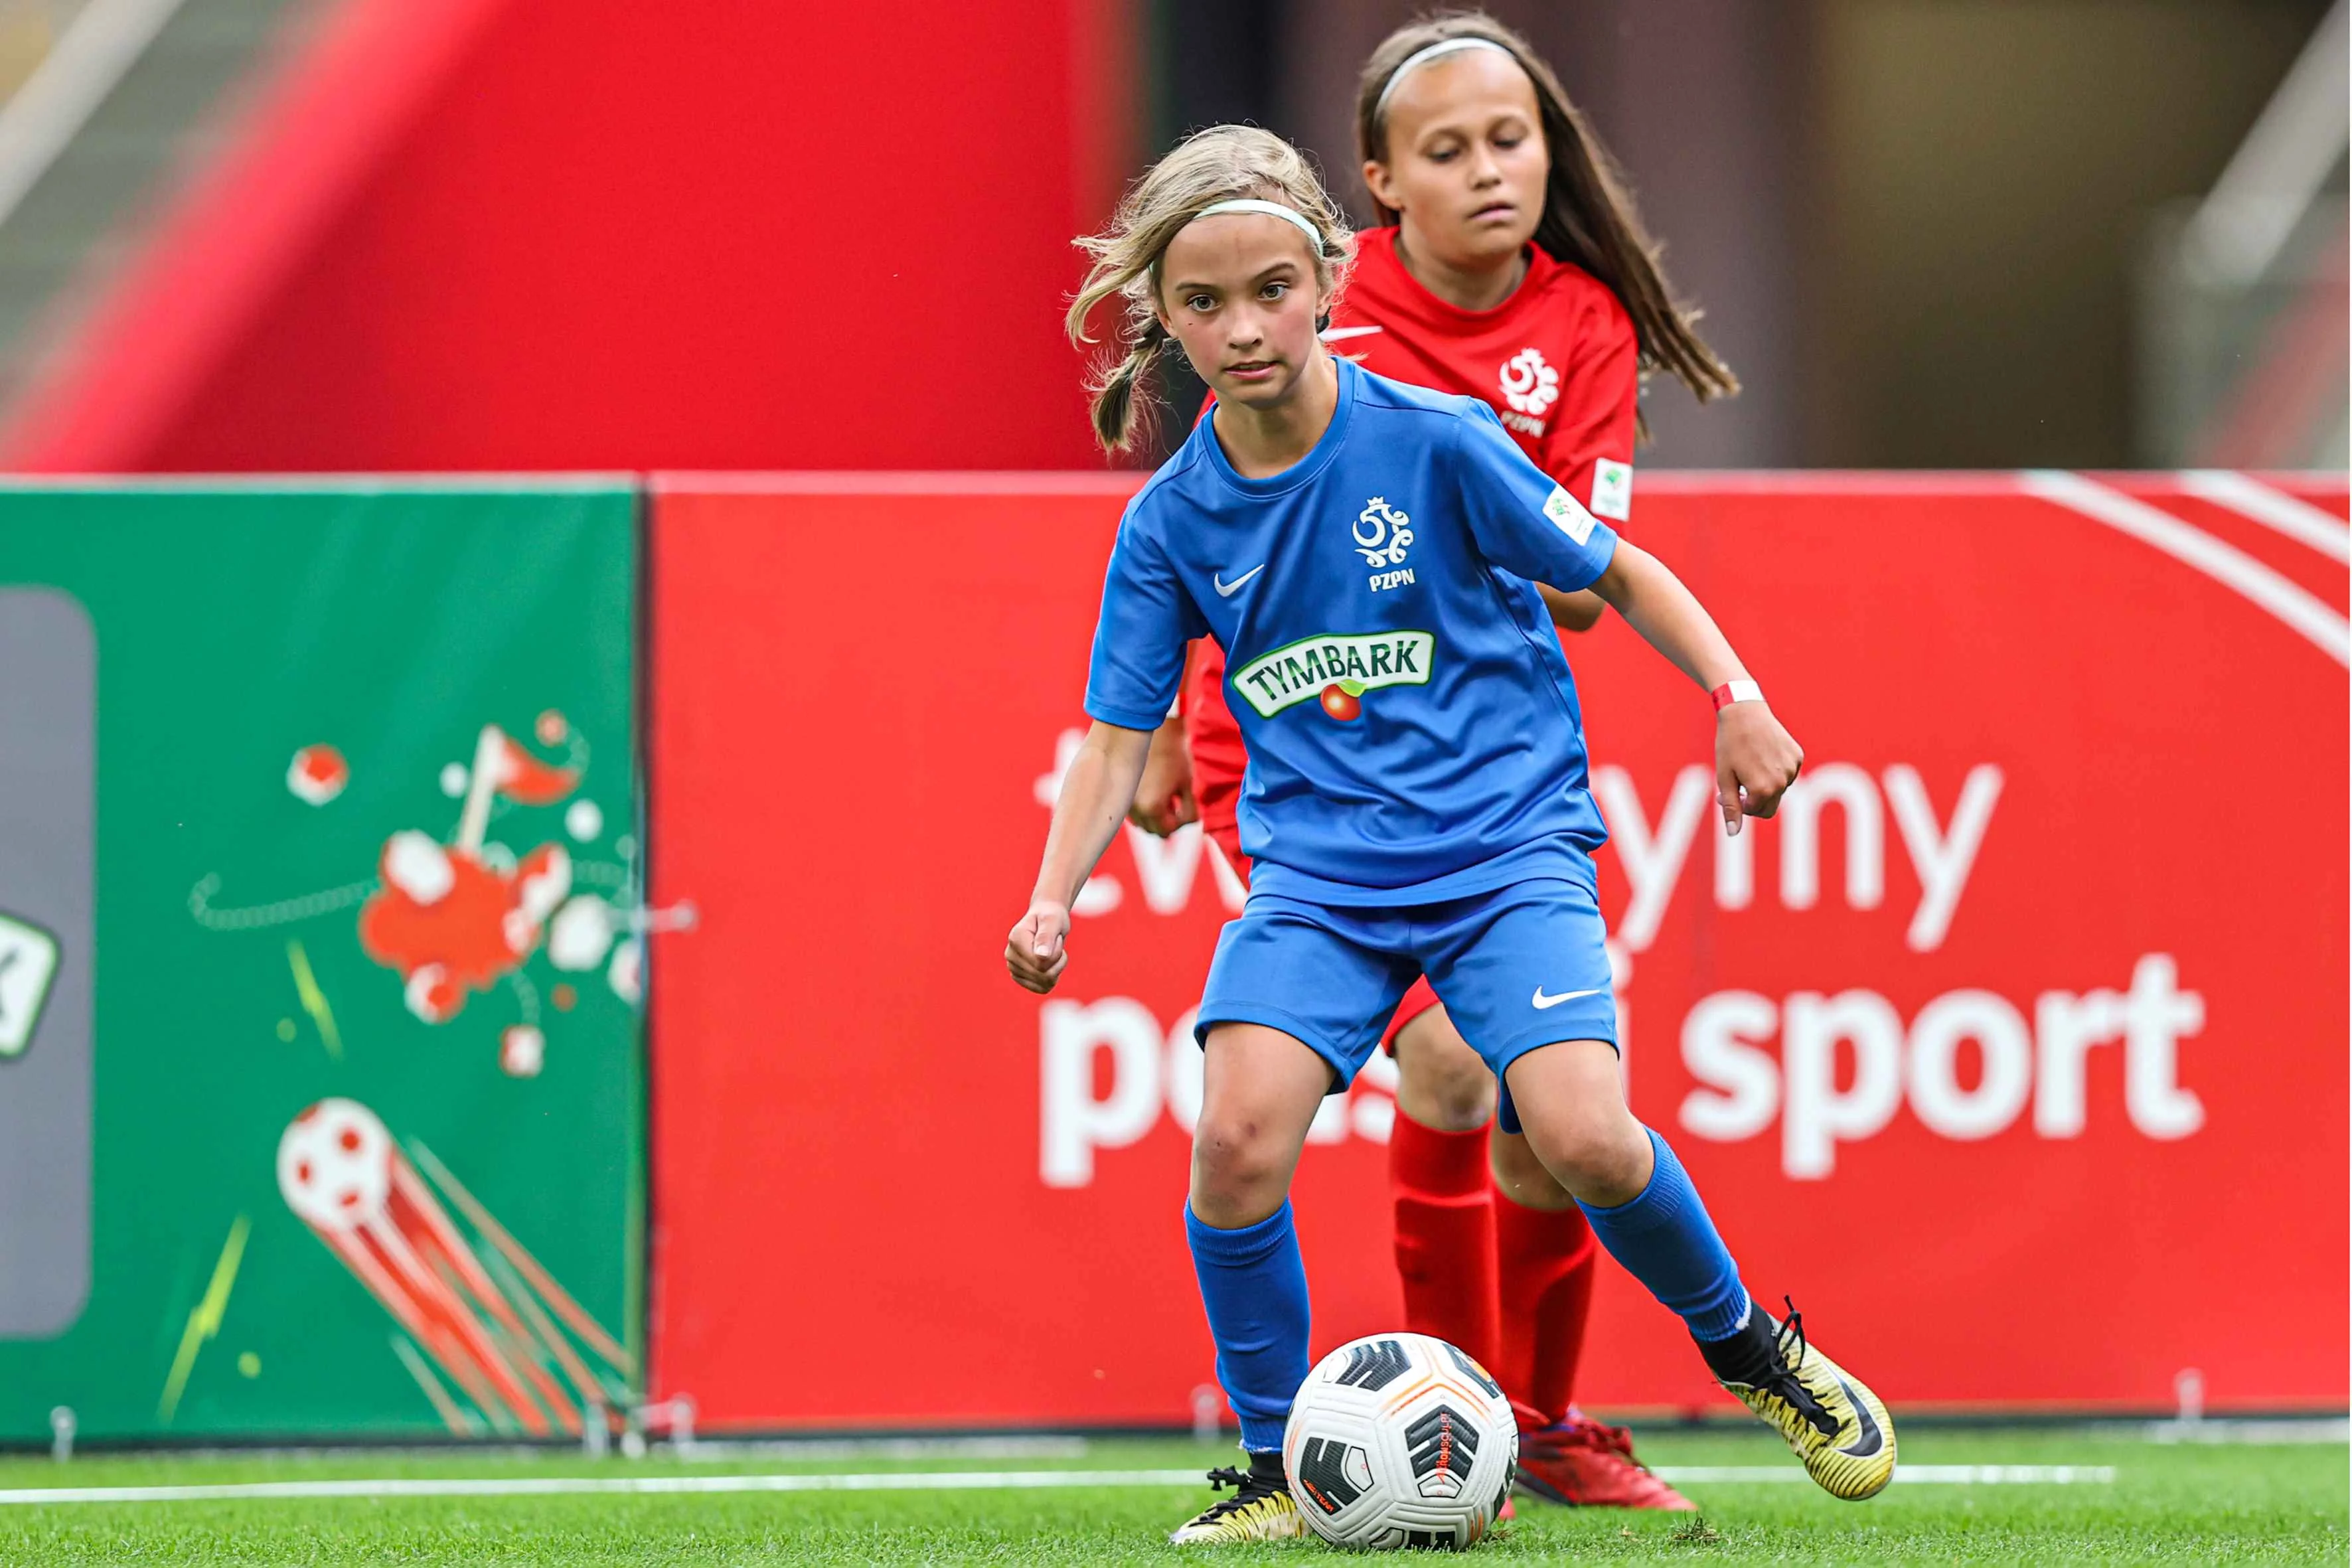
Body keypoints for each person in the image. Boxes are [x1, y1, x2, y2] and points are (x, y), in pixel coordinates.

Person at [1009, 123, 1896, 1545]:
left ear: (1328, 279)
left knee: (1585, 1138)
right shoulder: (1170, 521)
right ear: (1163, 318)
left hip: (1503, 855)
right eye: (1204, 303)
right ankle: (1272, 1463)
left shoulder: (1435, 440)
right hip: (1318, 882)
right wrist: (1055, 896)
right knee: (1233, 1141)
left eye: (1272, 291)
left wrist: (1736, 698)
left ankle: (1754, 1354)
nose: (1245, 329)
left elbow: (1617, 572)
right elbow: (1118, 734)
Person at [1125, 13, 1735, 1510]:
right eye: (1446, 149)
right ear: (1380, 185)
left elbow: (1582, 582)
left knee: (1548, 1123)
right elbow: (1228, 530)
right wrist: (1159, 726)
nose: (1486, 172)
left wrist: (1471, 483)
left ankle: (1534, 1416)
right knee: (1455, 1067)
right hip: (1296, 756)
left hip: (1475, 751)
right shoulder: (1307, 293)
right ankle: (1465, 1435)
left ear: (1548, 153)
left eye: (1508, 141)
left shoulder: (1581, 324)